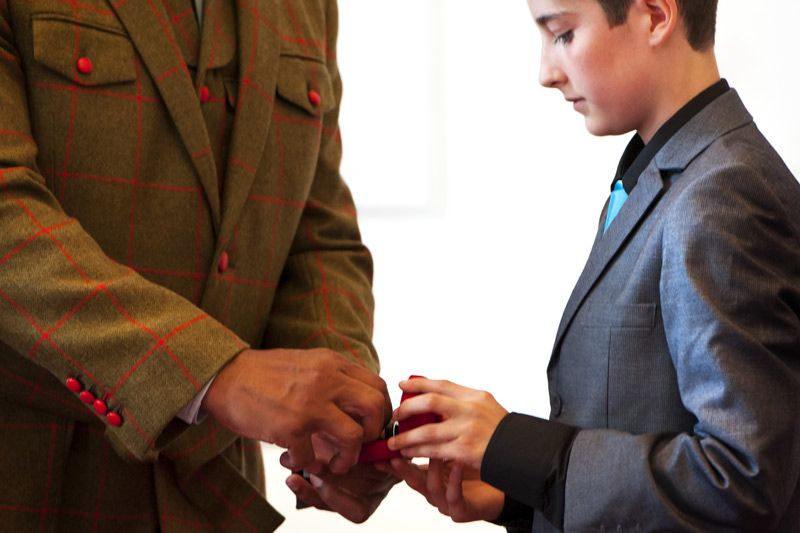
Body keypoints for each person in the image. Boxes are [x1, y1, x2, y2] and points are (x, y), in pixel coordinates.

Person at [378, 0, 800, 531]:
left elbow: (741, 480)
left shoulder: (720, 194)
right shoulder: (660, 178)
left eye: (563, 34)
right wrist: (522, 494)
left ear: (655, 14)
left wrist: (519, 448)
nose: (546, 73)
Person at [0, 0, 396, 531]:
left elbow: (316, 233)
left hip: (213, 499)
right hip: (29, 487)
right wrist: (213, 374)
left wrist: (338, 418)